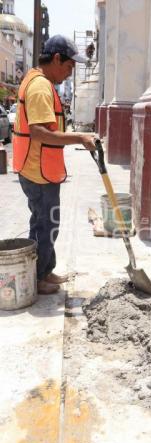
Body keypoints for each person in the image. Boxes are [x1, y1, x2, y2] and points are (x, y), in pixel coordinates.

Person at [13, 35, 96, 295]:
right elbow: (38, 132)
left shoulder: (42, 82)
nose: (69, 74)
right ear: (57, 58)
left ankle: (45, 270)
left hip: (39, 169)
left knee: (44, 222)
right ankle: (37, 279)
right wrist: (80, 137)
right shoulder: (40, 87)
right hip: (37, 171)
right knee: (46, 224)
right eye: (69, 67)